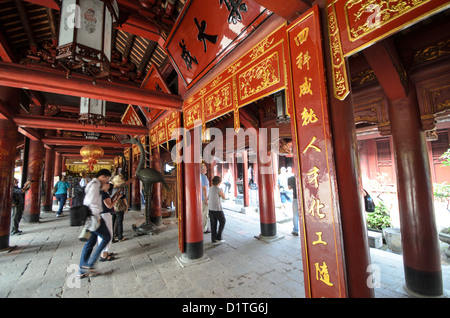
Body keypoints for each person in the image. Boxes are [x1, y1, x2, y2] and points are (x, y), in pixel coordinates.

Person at [78, 169, 112, 278]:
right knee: (107, 237)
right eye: (106, 178)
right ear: (102, 176)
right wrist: (97, 217)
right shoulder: (94, 185)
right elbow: (91, 202)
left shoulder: (93, 184)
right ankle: (91, 264)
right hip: (93, 217)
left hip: (90, 217)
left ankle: (82, 270)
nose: (107, 181)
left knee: (90, 243)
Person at [98, 182, 120, 261]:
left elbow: (109, 201)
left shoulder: (103, 193)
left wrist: (116, 195)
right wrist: (117, 199)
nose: (109, 185)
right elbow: (110, 205)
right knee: (107, 234)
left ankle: (105, 252)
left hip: (102, 215)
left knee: (104, 234)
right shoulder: (103, 194)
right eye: (107, 183)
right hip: (105, 215)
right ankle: (104, 255)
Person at [208, 176, 226, 244]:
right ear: (219, 182)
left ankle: (213, 238)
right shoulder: (218, 189)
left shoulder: (210, 188)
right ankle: (218, 237)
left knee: (213, 223)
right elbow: (224, 197)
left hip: (210, 207)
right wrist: (222, 190)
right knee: (223, 220)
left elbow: (208, 197)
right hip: (217, 208)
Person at [110, 175, 128, 243]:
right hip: (118, 208)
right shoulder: (119, 190)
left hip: (112, 208)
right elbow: (123, 199)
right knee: (119, 222)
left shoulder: (110, 189)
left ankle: (112, 237)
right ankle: (120, 237)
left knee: (112, 222)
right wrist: (126, 206)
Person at [201, 163, 210, 233]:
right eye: (205, 168)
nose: (206, 169)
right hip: (203, 198)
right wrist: (206, 199)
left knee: (201, 213)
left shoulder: (199, 176)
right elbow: (204, 188)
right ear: (202, 169)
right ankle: (204, 228)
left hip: (199, 198)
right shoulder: (203, 177)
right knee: (205, 213)